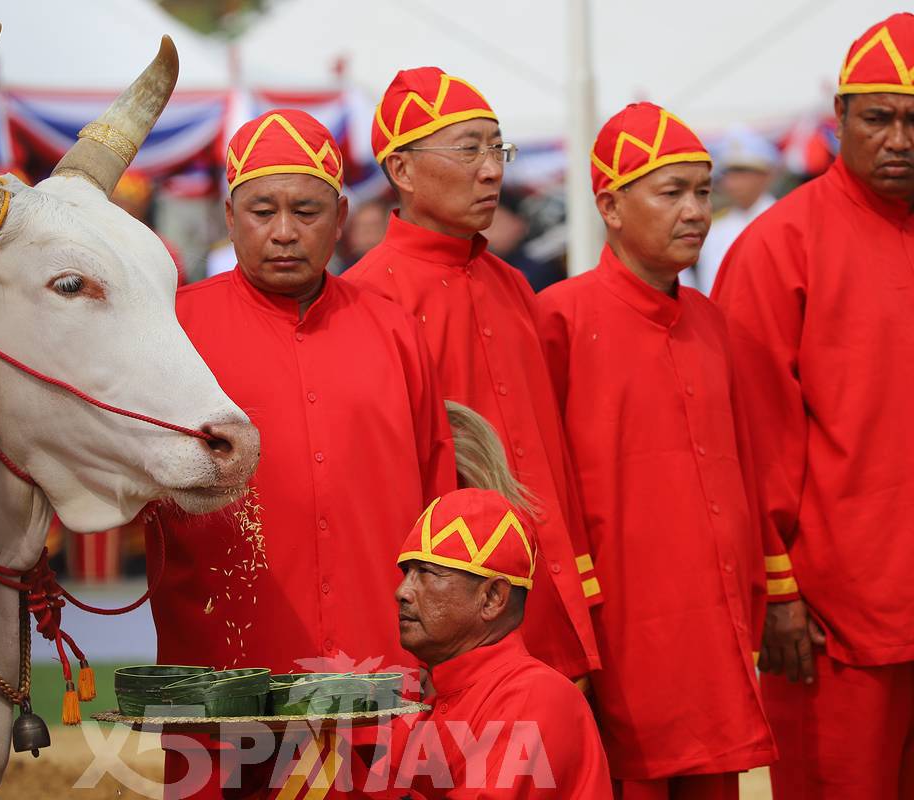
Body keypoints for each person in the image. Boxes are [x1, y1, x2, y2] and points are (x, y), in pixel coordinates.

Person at [152, 106, 455, 677]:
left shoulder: (394, 332)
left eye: (307, 211)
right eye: (262, 211)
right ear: (229, 215)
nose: (285, 232)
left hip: (380, 661)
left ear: (340, 216)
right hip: (226, 667)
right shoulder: (175, 331)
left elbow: (436, 496)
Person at [537, 102, 775, 799]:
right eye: (671, 192)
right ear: (610, 205)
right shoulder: (558, 318)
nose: (696, 210)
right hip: (618, 634)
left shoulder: (713, 323)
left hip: (713, 629)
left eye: (702, 191)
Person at [712, 13, 914, 798]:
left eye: (913, 120)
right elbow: (747, 440)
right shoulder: (780, 246)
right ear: (838, 123)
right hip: (835, 625)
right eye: (878, 119)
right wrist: (778, 591)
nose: (898, 139)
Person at [346, 67, 601, 684]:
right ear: (401, 171)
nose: (492, 170)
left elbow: (553, 460)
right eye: (469, 150)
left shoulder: (513, 285)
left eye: (497, 148)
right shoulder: (364, 302)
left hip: (548, 591)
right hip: (458, 620)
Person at [385, 488, 612, 798]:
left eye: (426, 573)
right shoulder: (430, 703)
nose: (402, 591)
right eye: (406, 572)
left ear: (493, 598)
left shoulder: (538, 698)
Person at [683, 128, 778, 294]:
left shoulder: (783, 220)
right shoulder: (715, 225)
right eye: (728, 173)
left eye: (742, 172)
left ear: (766, 175)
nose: (733, 182)